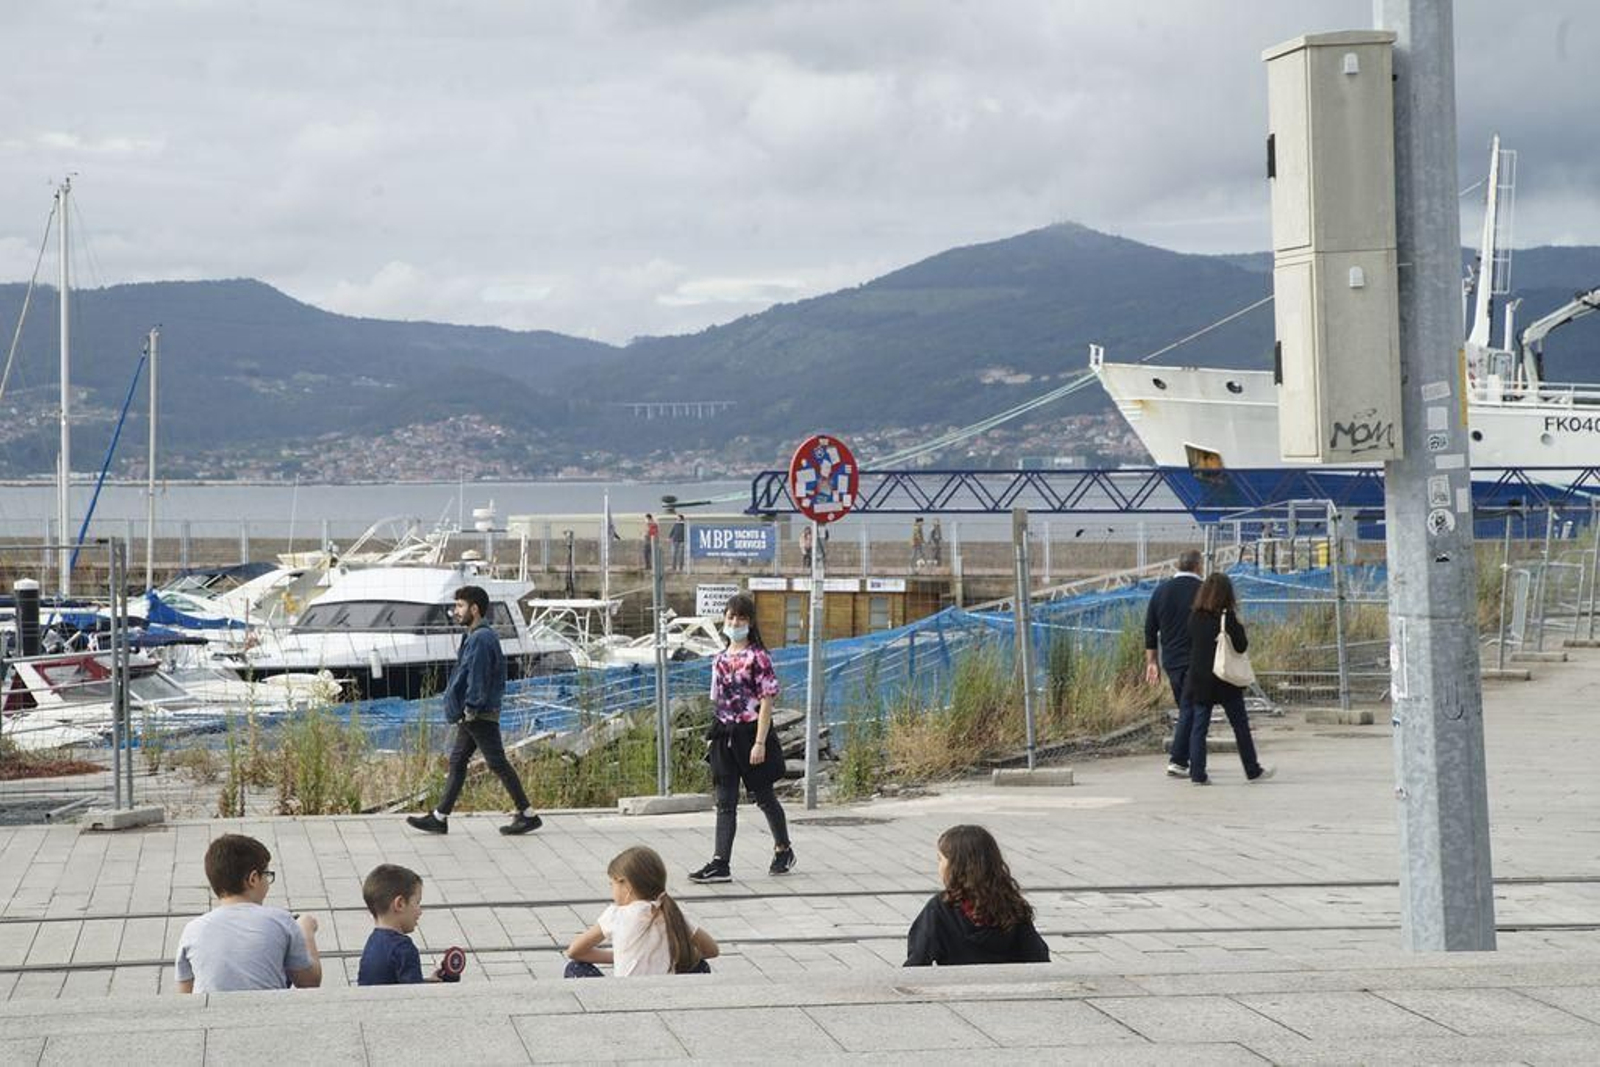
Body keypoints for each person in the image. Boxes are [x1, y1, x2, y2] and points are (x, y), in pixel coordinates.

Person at [407, 585, 543, 836]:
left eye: (459, 606)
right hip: (474, 712)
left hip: (478, 712)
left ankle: (527, 814)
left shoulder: (481, 638)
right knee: (459, 761)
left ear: (475, 609)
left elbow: (477, 677)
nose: (455, 611)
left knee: (496, 762)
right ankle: (440, 817)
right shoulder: (474, 635)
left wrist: (471, 707)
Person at [689, 593, 795, 883]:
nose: (735, 622)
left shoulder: (758, 657)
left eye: (741, 618)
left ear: (750, 622)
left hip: (751, 733)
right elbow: (718, 700)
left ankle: (783, 848)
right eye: (731, 617)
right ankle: (720, 862)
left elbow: (766, 702)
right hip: (725, 734)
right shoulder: (720, 659)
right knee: (725, 800)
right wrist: (713, 738)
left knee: (763, 795)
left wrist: (760, 742)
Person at [175, 834, 322, 993]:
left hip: (211, 1016)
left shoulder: (192, 929)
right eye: (267, 875)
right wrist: (306, 931)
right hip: (268, 1015)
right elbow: (310, 982)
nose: (268, 881)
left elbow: (185, 996)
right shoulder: (281, 920)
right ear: (253, 879)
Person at [905, 825, 1049, 967]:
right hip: (1009, 988)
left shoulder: (941, 908)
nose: (939, 866)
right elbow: (1038, 958)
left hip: (959, 988)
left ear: (955, 867)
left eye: (940, 859)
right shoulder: (1011, 905)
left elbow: (917, 963)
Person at [565, 846, 719, 977]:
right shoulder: (672, 913)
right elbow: (712, 950)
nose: (611, 890)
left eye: (612, 884)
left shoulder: (615, 915)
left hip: (624, 999)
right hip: (667, 995)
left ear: (626, 885)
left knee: (574, 967)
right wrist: (673, 956)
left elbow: (575, 951)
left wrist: (618, 957)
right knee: (700, 965)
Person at [1182, 573, 1275, 785]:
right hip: (1225, 679)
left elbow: (1190, 643)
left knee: (1199, 727)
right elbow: (1241, 645)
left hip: (1198, 678)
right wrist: (1238, 625)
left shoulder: (1195, 616)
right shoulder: (1227, 618)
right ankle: (1252, 769)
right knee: (1240, 725)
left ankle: (1197, 773)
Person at [1144, 549, 1205, 778]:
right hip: (1197, 659)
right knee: (1190, 709)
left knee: (1186, 707)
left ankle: (1190, 757)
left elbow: (1150, 628)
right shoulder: (1204, 590)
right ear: (1198, 566)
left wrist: (1152, 662)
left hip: (1171, 661)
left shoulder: (1161, 591)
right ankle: (1178, 760)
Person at [357, 864, 454, 985]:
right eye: (417, 903)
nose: (420, 911)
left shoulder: (373, 941)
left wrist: (429, 982)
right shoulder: (403, 948)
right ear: (400, 904)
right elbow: (414, 996)